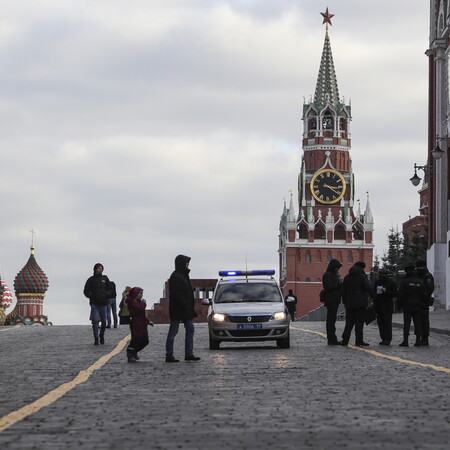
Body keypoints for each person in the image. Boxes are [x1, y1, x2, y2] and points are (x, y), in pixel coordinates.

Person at [165, 255, 200, 362]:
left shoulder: (184, 275)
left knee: (190, 329)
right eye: (186, 263)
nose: (188, 265)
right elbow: (177, 294)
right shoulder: (176, 276)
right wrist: (185, 304)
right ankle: (169, 354)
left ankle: (189, 353)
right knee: (173, 331)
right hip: (178, 309)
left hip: (186, 309)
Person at [341, 261, 374, 347]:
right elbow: (369, 287)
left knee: (349, 323)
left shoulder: (347, 277)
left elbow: (343, 291)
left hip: (349, 303)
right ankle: (359, 341)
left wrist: (344, 301)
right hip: (360, 303)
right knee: (359, 323)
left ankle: (345, 340)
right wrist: (373, 297)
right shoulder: (362, 277)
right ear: (362, 268)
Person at [398, 264, 427, 347]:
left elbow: (401, 294)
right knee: (418, 323)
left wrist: (399, 305)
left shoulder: (404, 281)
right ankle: (418, 340)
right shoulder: (420, 282)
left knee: (406, 324)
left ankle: (405, 341)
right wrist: (423, 304)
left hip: (407, 305)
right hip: (418, 305)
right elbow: (424, 295)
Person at [83, 263, 110, 345]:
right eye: (98, 268)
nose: (100, 269)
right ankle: (96, 337)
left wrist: (107, 295)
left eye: (101, 268)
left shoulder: (105, 278)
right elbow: (86, 291)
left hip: (103, 303)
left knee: (104, 322)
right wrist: (91, 296)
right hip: (94, 303)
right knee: (95, 320)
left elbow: (110, 289)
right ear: (95, 269)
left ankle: (101, 335)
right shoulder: (91, 280)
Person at [125, 287, 153, 362]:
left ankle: (134, 352)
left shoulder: (139, 302)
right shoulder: (132, 302)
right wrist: (144, 304)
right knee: (135, 340)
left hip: (142, 325)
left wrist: (148, 321)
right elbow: (138, 310)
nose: (141, 295)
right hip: (136, 324)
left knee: (145, 341)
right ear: (135, 294)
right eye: (140, 294)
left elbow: (142, 314)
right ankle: (130, 353)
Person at [373, 269, 397, 345]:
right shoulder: (377, 282)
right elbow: (374, 293)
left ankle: (388, 339)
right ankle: (383, 338)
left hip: (387, 306)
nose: (382, 275)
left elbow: (395, 293)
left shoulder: (391, 283)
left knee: (387, 323)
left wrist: (386, 291)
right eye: (380, 274)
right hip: (378, 305)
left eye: (383, 274)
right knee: (380, 323)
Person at [321, 259, 342, 345]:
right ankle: (331, 338)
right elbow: (328, 287)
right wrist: (339, 284)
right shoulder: (327, 275)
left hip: (334, 300)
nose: (337, 270)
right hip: (331, 300)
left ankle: (332, 338)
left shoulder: (332, 275)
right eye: (337, 268)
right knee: (331, 320)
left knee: (332, 320)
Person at [416, 259, 435, 346]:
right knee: (418, 320)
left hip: (424, 302)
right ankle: (419, 337)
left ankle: (425, 338)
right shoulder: (418, 275)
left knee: (424, 320)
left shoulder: (427, 276)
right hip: (417, 301)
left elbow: (429, 289)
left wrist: (424, 298)